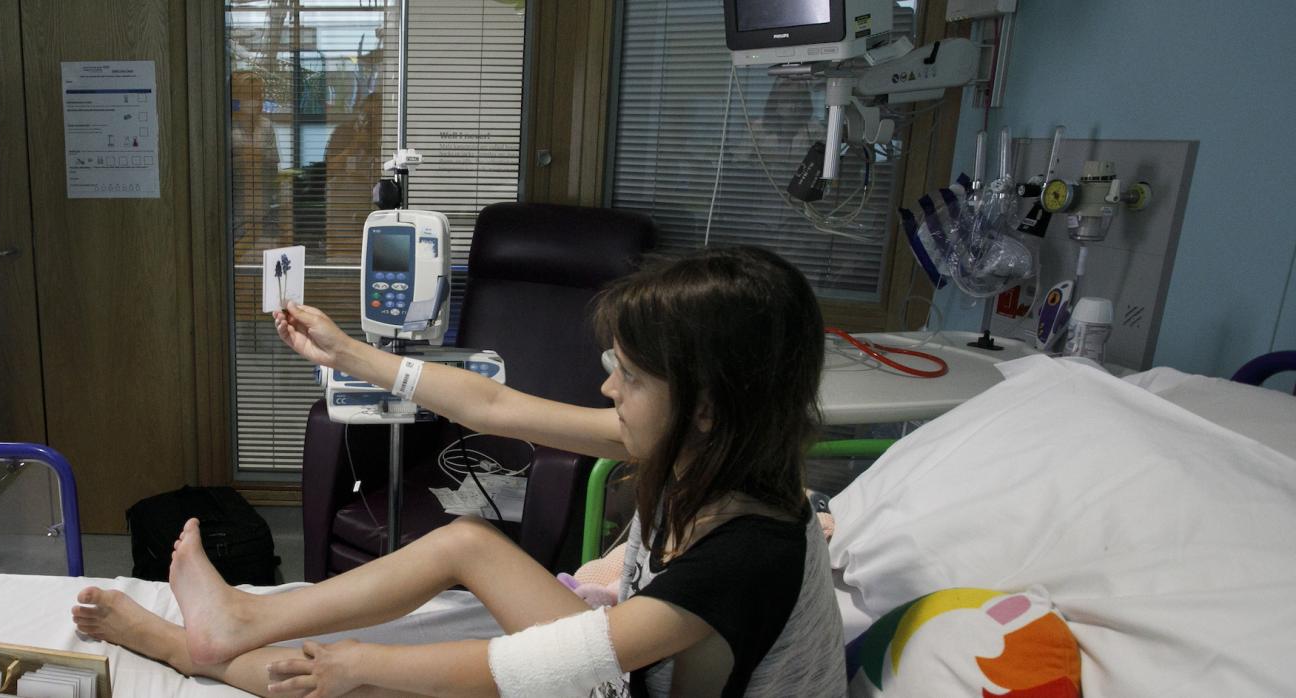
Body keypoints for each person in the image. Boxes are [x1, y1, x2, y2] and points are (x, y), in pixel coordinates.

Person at [72, 246, 846, 697]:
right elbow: (495, 406)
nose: (609, 389)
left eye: (632, 378)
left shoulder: (750, 549)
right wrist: (348, 355)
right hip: (629, 659)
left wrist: (362, 662)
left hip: (620, 673)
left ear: (708, 405)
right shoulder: (698, 450)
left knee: (367, 685)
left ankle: (184, 649)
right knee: (467, 542)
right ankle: (239, 620)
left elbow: (547, 664)